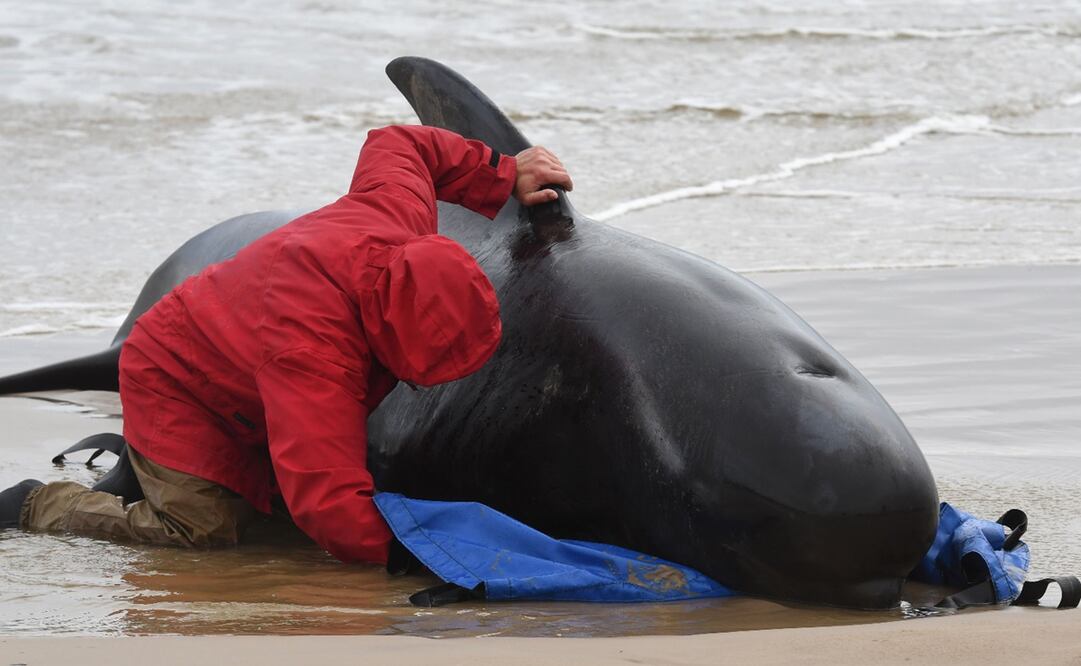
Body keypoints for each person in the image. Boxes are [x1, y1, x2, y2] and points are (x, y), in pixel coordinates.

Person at [0, 125, 573, 565]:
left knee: (276, 503)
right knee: (207, 527)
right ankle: (35, 504)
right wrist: (424, 553)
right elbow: (327, 503)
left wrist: (502, 172)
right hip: (175, 377)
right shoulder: (313, 352)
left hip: (237, 352)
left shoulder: (399, 215)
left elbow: (400, 144)